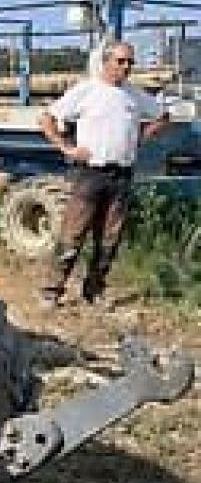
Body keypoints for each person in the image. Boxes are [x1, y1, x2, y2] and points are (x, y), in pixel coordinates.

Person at [38, 40, 168, 305]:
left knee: (109, 238)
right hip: (90, 174)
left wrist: (144, 135)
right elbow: (47, 118)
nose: (126, 67)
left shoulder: (134, 95)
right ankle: (52, 291)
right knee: (73, 234)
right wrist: (66, 148)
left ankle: (94, 290)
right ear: (106, 62)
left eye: (130, 62)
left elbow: (163, 116)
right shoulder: (87, 91)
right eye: (120, 61)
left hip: (121, 175)